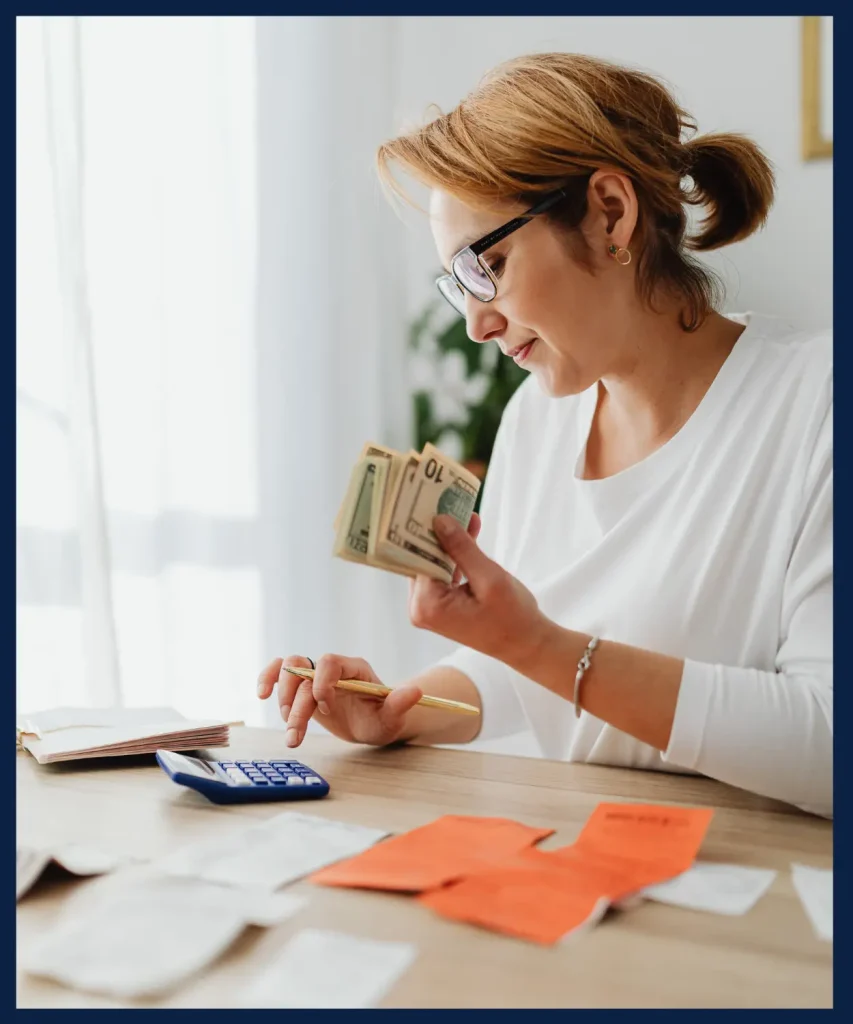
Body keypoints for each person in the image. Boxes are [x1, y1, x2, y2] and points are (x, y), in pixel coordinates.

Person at [257, 53, 832, 818]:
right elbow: (539, 671)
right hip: (588, 868)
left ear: (608, 213)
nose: (474, 321)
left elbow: (828, 743)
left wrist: (533, 645)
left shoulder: (817, 401)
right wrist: (400, 709)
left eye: (487, 264)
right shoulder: (538, 418)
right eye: (457, 282)